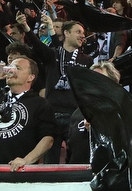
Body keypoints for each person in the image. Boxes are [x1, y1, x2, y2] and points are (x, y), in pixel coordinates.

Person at [25, 19, 92, 163]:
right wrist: (25, 27)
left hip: (74, 115)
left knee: (75, 158)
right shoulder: (52, 54)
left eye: (83, 33)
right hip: (51, 114)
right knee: (50, 161)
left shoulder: (87, 60)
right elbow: (36, 45)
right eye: (78, 32)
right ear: (66, 33)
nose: (82, 36)